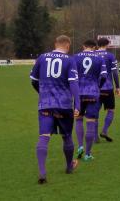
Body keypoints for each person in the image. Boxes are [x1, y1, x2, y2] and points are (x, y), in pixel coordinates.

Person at [29, 35, 80, 184]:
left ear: (55, 44)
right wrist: (77, 104)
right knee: (66, 136)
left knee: (44, 136)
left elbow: (33, 80)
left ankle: (42, 172)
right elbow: (74, 84)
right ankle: (69, 166)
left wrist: (42, 93)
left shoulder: (42, 57)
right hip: (64, 105)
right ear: (68, 46)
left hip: (45, 104)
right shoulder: (70, 60)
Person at [73, 39, 107, 161]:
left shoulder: (75, 57)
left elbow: (71, 76)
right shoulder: (99, 58)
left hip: (78, 93)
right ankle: (87, 154)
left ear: (83, 46)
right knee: (91, 122)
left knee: (78, 120)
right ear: (94, 47)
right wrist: (98, 86)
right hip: (93, 93)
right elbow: (104, 76)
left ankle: (80, 146)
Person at [93, 38, 120, 142]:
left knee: (94, 112)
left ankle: (95, 137)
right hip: (108, 88)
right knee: (111, 110)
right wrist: (117, 87)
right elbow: (114, 73)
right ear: (106, 44)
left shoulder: (93, 55)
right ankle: (104, 130)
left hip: (95, 88)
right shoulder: (110, 55)